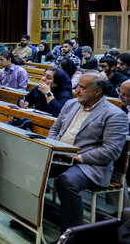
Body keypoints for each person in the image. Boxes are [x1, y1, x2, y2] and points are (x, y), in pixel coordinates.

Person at [47, 71, 128, 234]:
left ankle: (72, 235)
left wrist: (77, 157)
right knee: (30, 165)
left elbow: (111, 151)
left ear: (97, 92)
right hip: (59, 154)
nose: (76, 90)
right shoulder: (71, 104)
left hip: (89, 164)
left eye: (82, 87)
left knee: (67, 181)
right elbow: (55, 129)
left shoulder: (114, 115)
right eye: (77, 86)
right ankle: (32, 218)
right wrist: (51, 146)